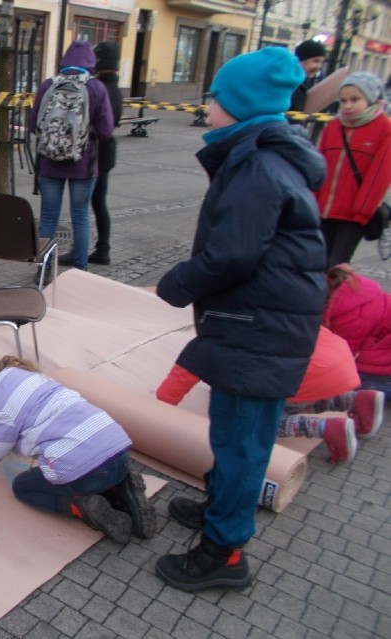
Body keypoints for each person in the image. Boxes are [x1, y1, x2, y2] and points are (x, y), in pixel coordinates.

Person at [154, 47, 327, 592]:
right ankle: (218, 508)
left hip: (261, 326)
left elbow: (233, 254)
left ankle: (225, 552)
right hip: (254, 320)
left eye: (218, 96)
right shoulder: (255, 155)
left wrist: (177, 284)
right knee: (231, 432)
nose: (208, 104)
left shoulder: (257, 164)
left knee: (244, 442)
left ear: (242, 105)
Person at [0, 354, 156, 544]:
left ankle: (81, 505)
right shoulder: (29, 377)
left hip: (88, 471)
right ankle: (123, 487)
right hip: (118, 448)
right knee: (96, 468)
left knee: (23, 487)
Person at [156, 326, 385, 464]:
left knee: (260, 423)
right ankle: (354, 400)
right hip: (337, 361)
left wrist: (153, 411)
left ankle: (327, 429)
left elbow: (167, 396)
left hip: (305, 373)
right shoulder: (267, 307)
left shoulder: (208, 343)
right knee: (300, 393)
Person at [30, 40, 114, 280]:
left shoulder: (49, 85)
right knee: (80, 217)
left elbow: (34, 124)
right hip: (84, 165)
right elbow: (106, 131)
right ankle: (81, 272)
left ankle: (43, 270)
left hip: (49, 163)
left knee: (48, 217)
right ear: (91, 63)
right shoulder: (96, 88)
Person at [315, 71, 391, 268]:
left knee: (336, 265)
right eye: (343, 101)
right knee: (317, 263)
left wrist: (362, 212)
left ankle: (339, 299)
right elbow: (318, 167)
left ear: (370, 98)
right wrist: (313, 201)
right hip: (324, 210)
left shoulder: (384, 128)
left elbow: (379, 175)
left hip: (354, 214)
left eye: (355, 99)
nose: (347, 105)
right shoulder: (333, 126)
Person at [59, 41, 123, 267]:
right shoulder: (113, 88)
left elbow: (101, 126)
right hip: (105, 154)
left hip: (95, 155)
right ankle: (101, 249)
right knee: (96, 204)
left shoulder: (97, 87)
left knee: (84, 210)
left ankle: (84, 252)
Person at [323, 263, 391, 395]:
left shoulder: (349, 316)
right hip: (383, 342)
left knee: (353, 381)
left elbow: (344, 355)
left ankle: (378, 392)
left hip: (385, 348)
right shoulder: (352, 290)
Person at [289, 40, 326, 113]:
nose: (319, 66)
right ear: (302, 60)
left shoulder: (306, 82)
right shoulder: (290, 83)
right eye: (316, 61)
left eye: (321, 62)